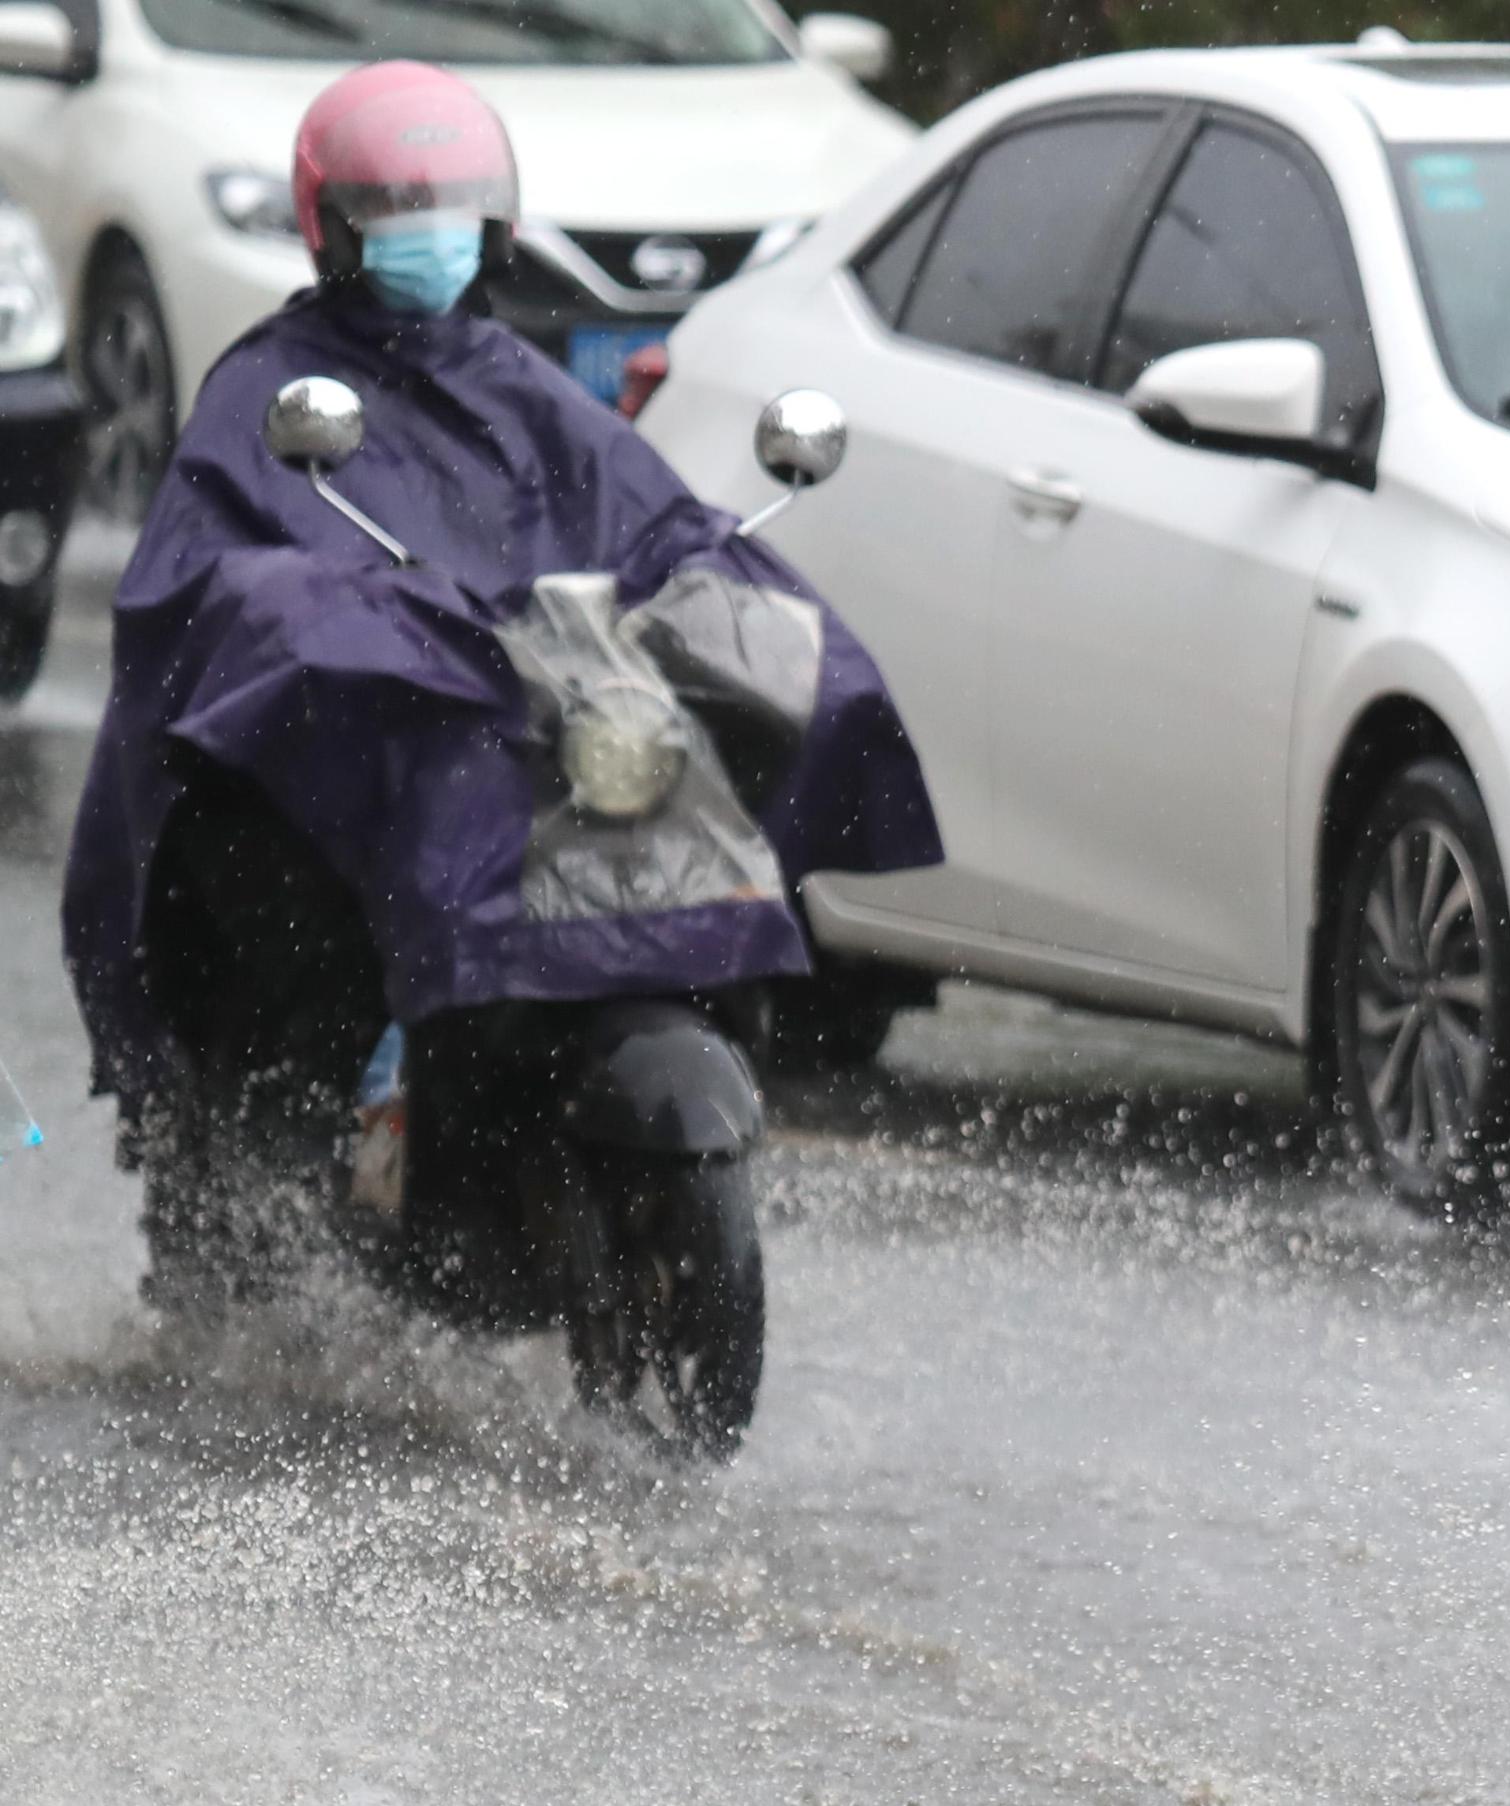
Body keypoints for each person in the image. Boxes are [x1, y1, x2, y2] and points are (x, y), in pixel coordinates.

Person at [60, 62, 935, 1192]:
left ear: (499, 225)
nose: (430, 239)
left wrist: (720, 585)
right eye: (394, 216)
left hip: (547, 749)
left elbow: (647, 517)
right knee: (301, 961)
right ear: (334, 228)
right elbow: (209, 587)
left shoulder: (520, 385)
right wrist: (349, 620)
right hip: (352, 774)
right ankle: (342, 1144)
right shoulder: (272, 393)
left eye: (452, 213)